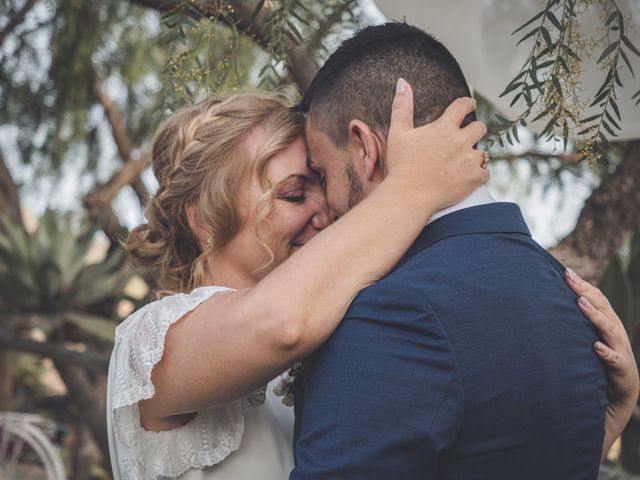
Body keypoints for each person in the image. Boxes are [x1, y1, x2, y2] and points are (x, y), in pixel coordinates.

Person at [106, 84, 635, 480]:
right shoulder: (149, 348)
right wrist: (415, 185)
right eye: (294, 195)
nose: (326, 211)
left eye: (323, 185)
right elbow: (280, 323)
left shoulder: (342, 342)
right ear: (203, 218)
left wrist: (603, 424)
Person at [289, 22, 639, 480]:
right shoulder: (569, 297)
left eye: (322, 172)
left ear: (364, 148)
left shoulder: (394, 311)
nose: (325, 207)